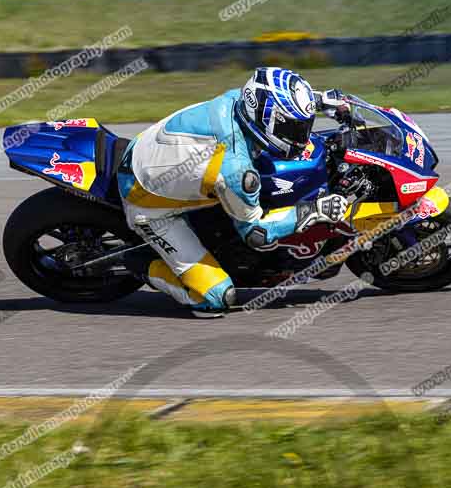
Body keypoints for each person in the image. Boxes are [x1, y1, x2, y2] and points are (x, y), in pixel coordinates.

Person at [117, 67, 349, 317]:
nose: (301, 137)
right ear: (267, 120)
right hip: (145, 201)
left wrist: (320, 100)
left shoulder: (239, 100)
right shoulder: (236, 172)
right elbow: (257, 233)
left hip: (148, 147)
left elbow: (276, 97)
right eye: (294, 130)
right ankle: (142, 264)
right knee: (217, 298)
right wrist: (315, 210)